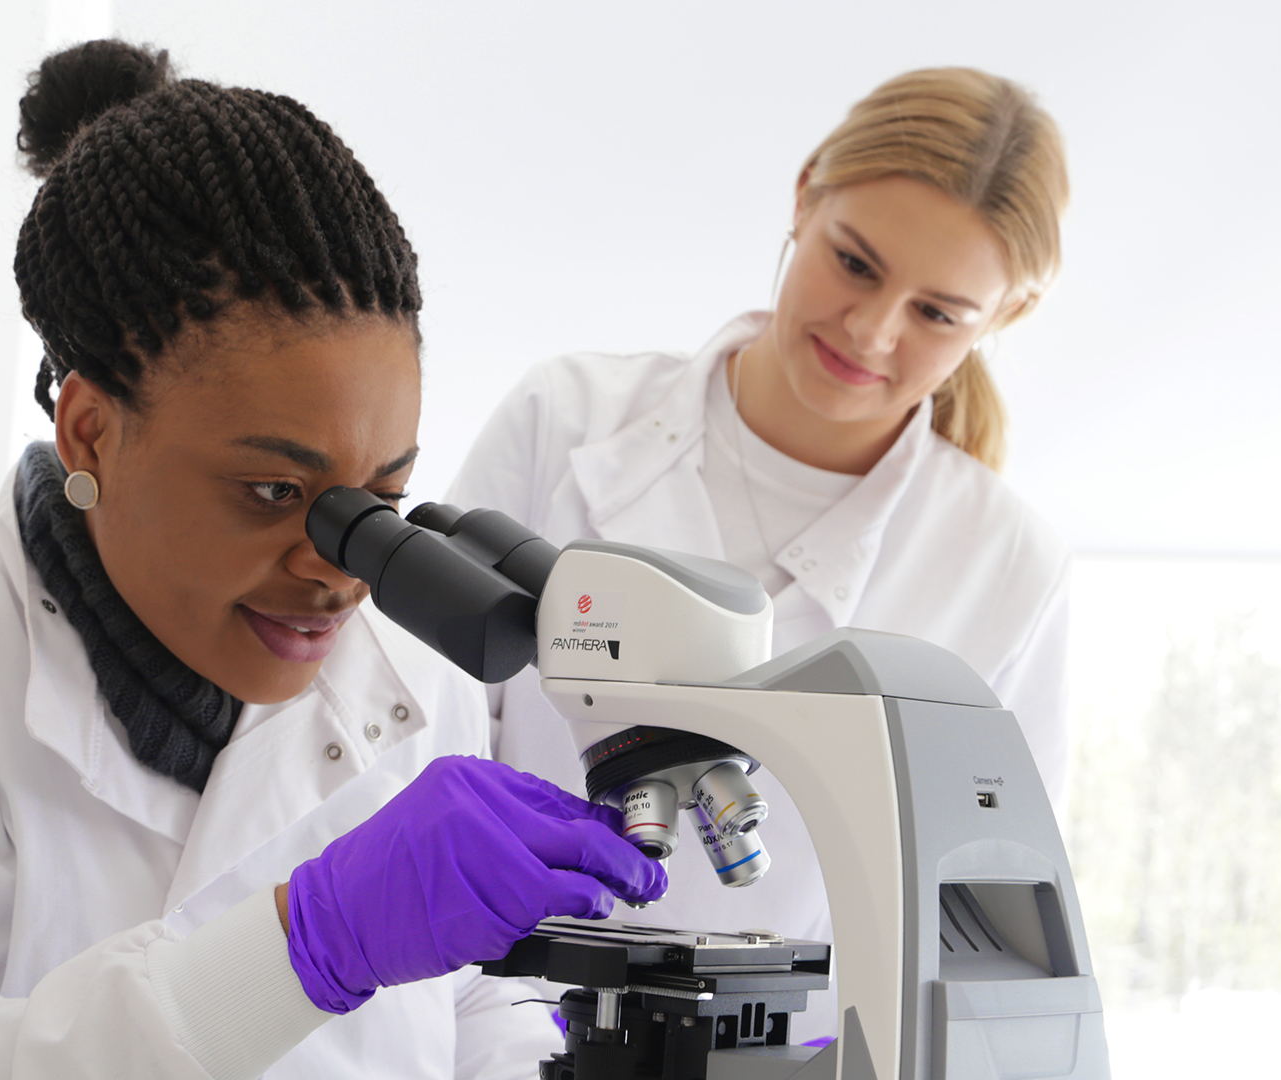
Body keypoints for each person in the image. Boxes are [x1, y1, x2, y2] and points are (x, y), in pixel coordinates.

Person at [0, 40, 662, 1080]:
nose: (340, 573)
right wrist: (302, 946)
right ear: (90, 432)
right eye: (274, 492)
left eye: (381, 498)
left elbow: (470, 1010)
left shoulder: (408, 681)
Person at [445, 67, 1071, 1044]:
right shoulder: (560, 422)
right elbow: (415, 748)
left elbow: (985, 919)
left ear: (1004, 317)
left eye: (936, 314)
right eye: (854, 263)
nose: (870, 331)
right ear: (804, 191)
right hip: (491, 1016)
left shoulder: (1001, 567)